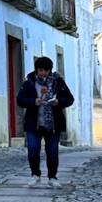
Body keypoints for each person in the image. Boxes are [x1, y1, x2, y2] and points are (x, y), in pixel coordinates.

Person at [15, 56, 75, 186]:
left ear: (50, 70)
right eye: (41, 70)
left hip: (53, 124)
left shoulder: (57, 82)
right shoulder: (29, 82)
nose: (43, 73)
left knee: (52, 152)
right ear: (36, 70)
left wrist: (58, 102)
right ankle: (35, 174)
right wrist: (33, 102)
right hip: (34, 123)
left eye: (46, 71)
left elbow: (69, 99)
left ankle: (52, 177)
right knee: (33, 150)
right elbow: (20, 100)